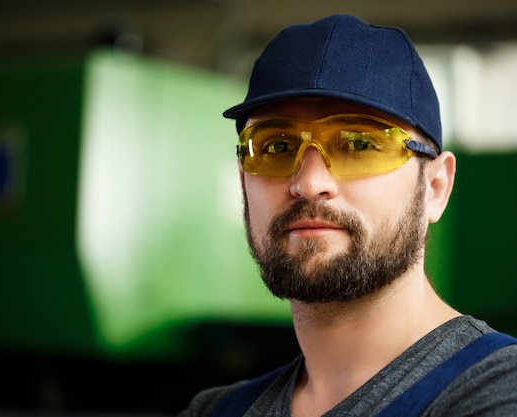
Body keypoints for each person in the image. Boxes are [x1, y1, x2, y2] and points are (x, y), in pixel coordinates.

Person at [178, 14, 517, 417]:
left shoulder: (497, 393)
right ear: (243, 181)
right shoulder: (215, 410)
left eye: (359, 143)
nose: (308, 183)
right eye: (276, 147)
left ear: (436, 187)